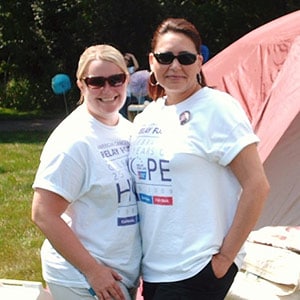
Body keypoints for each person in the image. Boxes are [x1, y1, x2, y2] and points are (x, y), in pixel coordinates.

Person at [129, 18, 270, 300]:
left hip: (197, 267)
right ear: (151, 61)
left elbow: (257, 186)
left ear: (200, 61)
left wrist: (224, 259)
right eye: (165, 57)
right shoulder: (148, 116)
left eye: (185, 57)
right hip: (154, 268)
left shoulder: (218, 109)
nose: (175, 66)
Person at [31, 44, 141, 300]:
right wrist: (92, 271)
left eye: (116, 80)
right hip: (83, 277)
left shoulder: (125, 129)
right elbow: (43, 213)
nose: (108, 90)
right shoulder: (74, 140)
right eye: (96, 82)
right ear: (81, 85)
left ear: (127, 79)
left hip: (119, 271)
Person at [120, 53, 140, 118]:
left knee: (125, 113)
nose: (126, 61)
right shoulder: (118, 69)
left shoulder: (129, 70)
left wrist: (132, 56)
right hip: (119, 93)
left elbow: (136, 66)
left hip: (127, 94)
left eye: (128, 60)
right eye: (125, 59)